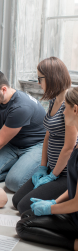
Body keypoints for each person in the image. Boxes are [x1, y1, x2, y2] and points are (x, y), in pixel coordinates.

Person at [16, 87, 78, 251]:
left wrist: (51, 208)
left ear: (75, 109)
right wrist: (54, 202)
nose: (63, 113)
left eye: (66, 109)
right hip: (73, 209)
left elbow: (77, 202)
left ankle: (75, 244)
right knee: (27, 214)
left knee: (23, 226)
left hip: (75, 214)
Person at [13, 57, 77, 213]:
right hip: (51, 169)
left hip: (62, 174)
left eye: (40, 79)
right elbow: (48, 135)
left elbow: (69, 148)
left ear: (51, 78)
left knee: (24, 207)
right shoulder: (53, 100)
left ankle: (63, 202)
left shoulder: (69, 104)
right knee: (16, 201)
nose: (39, 83)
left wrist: (53, 175)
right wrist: (43, 167)